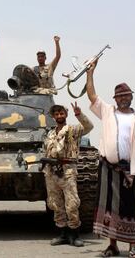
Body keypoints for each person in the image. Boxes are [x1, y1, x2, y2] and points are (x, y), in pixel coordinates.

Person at [85, 59, 135, 258]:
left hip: (128, 168)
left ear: (131, 97)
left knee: (129, 206)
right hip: (107, 167)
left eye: (126, 95)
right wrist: (90, 73)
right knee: (109, 207)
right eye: (120, 96)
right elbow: (91, 95)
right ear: (115, 99)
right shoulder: (107, 112)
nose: (123, 98)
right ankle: (112, 245)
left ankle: (132, 245)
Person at [44, 102, 93, 247]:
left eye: (61, 113)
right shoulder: (50, 133)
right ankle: (63, 234)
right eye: (56, 114)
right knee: (56, 204)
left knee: (71, 204)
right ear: (53, 116)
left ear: (66, 114)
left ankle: (74, 234)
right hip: (52, 171)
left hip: (67, 170)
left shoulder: (73, 129)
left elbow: (89, 127)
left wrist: (79, 114)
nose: (59, 115)